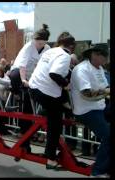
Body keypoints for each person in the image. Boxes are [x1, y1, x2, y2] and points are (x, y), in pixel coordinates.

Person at [29, 31, 76, 170]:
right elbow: (54, 74)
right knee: (55, 125)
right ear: (72, 46)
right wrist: (66, 84)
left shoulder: (51, 51)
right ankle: (50, 158)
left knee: (57, 109)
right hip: (45, 92)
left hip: (35, 87)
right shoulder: (65, 55)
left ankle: (64, 108)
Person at [9, 24, 51, 153]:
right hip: (20, 73)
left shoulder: (48, 48)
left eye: (41, 44)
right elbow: (22, 66)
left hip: (33, 76)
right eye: (37, 43)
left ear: (45, 42)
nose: (39, 45)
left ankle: (31, 130)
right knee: (14, 75)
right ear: (34, 40)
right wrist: (23, 80)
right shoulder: (28, 46)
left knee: (32, 102)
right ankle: (15, 93)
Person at [70, 47, 110, 177]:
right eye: (105, 57)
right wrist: (105, 92)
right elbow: (86, 93)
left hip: (99, 107)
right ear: (95, 55)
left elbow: (105, 87)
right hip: (86, 111)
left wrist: (106, 91)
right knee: (109, 136)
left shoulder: (99, 69)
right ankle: (97, 171)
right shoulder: (82, 69)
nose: (107, 60)